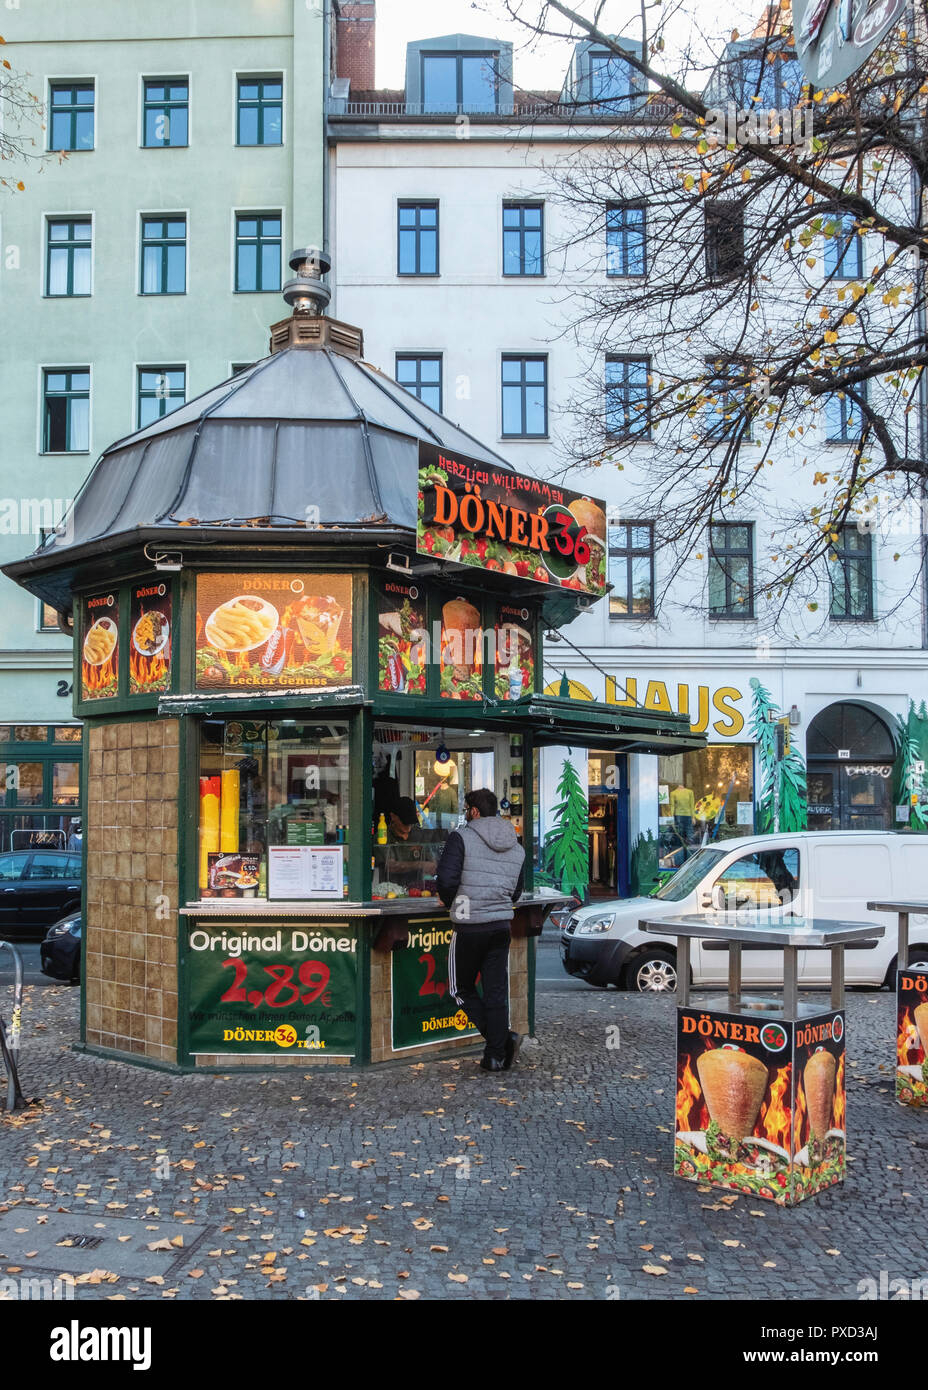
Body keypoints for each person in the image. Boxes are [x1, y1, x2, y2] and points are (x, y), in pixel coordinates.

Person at [435, 788, 526, 1072]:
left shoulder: (460, 837)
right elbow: (516, 892)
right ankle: (496, 1055)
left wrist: (451, 903)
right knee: (496, 993)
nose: (464, 812)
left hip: (469, 926)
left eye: (465, 808)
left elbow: (447, 881)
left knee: (458, 988)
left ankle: (501, 1042)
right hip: (500, 926)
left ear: (474, 811)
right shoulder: (516, 844)